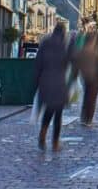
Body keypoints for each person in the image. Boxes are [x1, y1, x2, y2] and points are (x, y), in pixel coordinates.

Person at [34, 23, 72, 151]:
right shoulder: (64, 45)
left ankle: (42, 135)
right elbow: (67, 63)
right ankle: (55, 143)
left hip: (45, 81)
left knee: (48, 111)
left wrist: (37, 82)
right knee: (58, 114)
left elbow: (38, 64)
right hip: (59, 82)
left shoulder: (45, 43)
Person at [74, 31, 98, 126]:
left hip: (85, 77)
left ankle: (83, 117)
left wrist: (75, 75)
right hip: (95, 77)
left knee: (86, 97)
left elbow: (76, 64)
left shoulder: (81, 51)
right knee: (92, 99)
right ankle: (89, 119)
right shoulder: (95, 51)